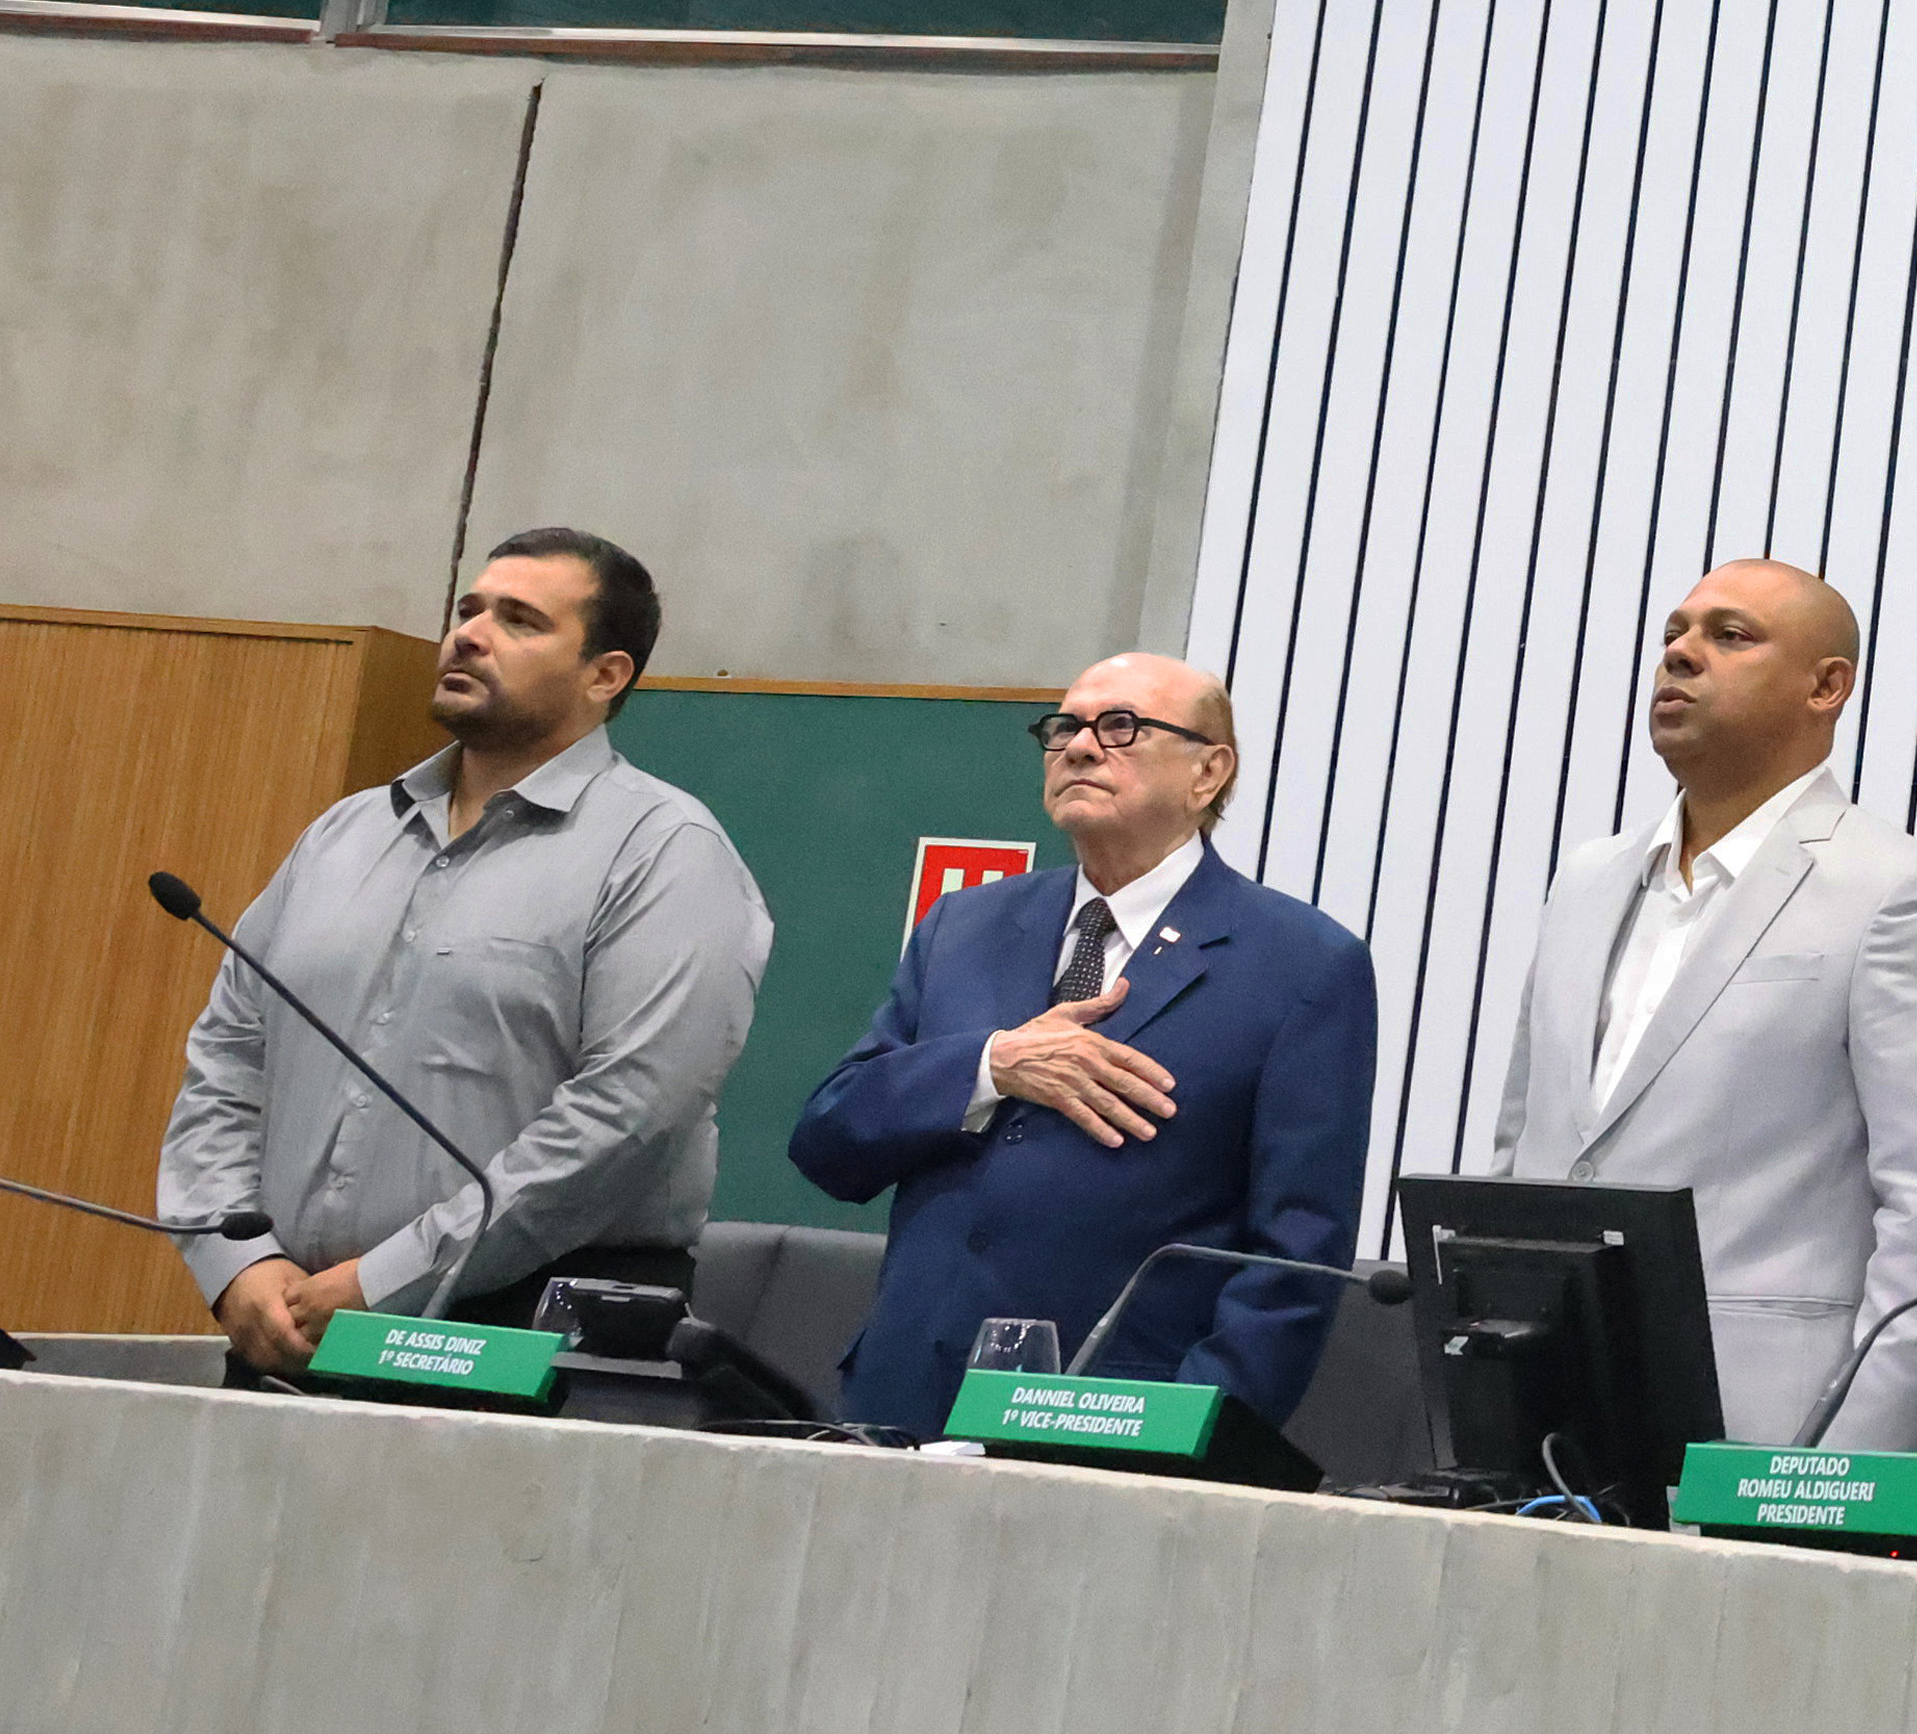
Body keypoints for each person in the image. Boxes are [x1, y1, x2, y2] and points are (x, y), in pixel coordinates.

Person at [162, 528, 772, 1373]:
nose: (470, 635)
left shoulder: (663, 851)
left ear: (606, 675)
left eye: (520, 620)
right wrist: (237, 1259)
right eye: (469, 609)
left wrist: (384, 1280)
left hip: (533, 1328)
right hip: (288, 1324)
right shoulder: (343, 835)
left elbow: (628, 1116)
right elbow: (229, 1057)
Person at [1486, 562, 1917, 1449]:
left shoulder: (1900, 892)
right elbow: (1522, 1148)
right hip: (1547, 1427)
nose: (1681, 656)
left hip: (1763, 1435)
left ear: (1827, 686)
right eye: (1673, 635)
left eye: (1730, 637)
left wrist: (1842, 1476)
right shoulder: (1587, 880)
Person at [789, 652, 1377, 1439]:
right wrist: (989, 1067)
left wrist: (1196, 1428)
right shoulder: (965, 928)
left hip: (1115, 1426)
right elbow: (829, 1140)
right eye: (1064, 726)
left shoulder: (1301, 965)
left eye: (1121, 727)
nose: (1079, 746)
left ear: (1208, 772)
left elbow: (1297, 1254)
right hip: (901, 1404)